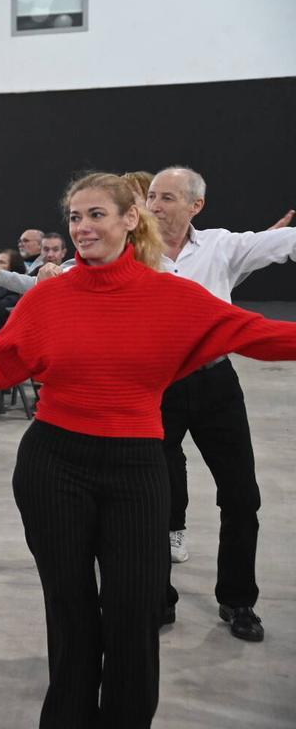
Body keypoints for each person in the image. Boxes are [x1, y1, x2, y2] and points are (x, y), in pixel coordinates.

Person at [0, 172, 296, 728]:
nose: (82, 227)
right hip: (54, 466)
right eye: (74, 217)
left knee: (135, 615)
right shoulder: (51, 297)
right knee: (70, 612)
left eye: (95, 215)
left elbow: (263, 334)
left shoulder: (176, 297)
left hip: (137, 468)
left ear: (130, 220)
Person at [147, 165, 296, 642]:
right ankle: (157, 599)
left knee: (241, 496)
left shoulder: (221, 247)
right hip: (156, 388)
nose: (155, 206)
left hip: (215, 385)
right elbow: (74, 274)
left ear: (196, 206)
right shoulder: (132, 253)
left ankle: (238, 600)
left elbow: (283, 242)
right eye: (151, 196)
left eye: (168, 198)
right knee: (153, 500)